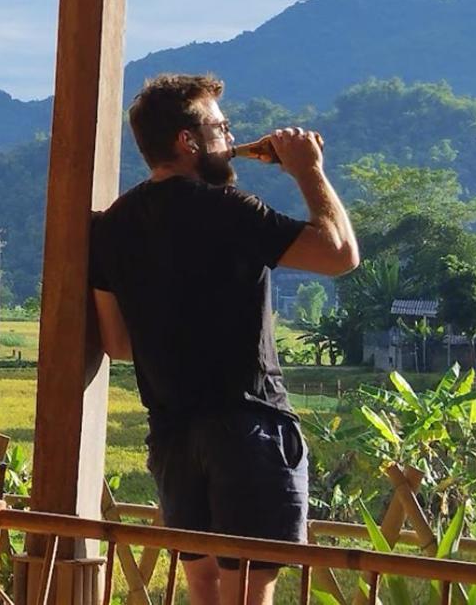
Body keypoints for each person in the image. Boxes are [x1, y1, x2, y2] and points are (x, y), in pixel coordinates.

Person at [89, 74, 358, 605]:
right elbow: (339, 253)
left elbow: (118, 343)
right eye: (221, 126)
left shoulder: (111, 226)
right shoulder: (228, 208)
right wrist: (309, 172)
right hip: (247, 426)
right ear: (188, 142)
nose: (230, 137)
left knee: (204, 586)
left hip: (171, 436)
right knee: (249, 589)